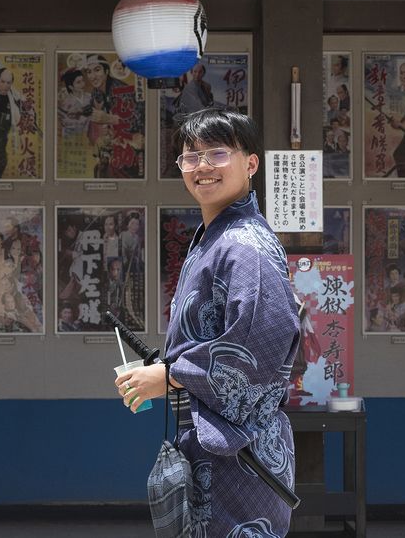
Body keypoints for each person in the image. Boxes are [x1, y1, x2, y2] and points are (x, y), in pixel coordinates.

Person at [114, 108, 300, 536]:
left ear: (250, 163)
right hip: (216, 443)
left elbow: (259, 347)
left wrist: (171, 376)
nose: (202, 166)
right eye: (190, 156)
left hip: (240, 455)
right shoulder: (218, 238)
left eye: (217, 153)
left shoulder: (244, 245)